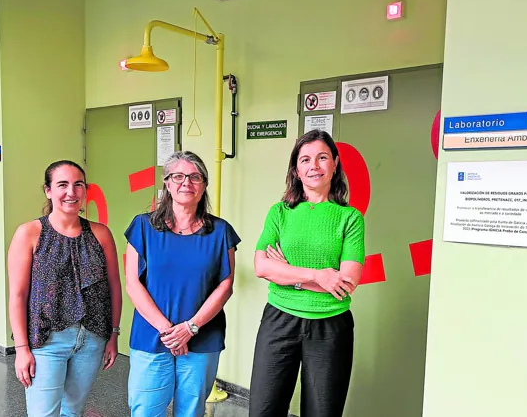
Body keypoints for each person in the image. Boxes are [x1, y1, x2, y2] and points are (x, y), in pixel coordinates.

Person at [249, 130, 365, 417]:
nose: (314, 165)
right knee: (263, 410)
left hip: (330, 328)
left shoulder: (350, 218)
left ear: (335, 164)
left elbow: (346, 283)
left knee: (323, 412)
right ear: (296, 170)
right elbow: (262, 266)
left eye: (322, 157)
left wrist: (287, 273)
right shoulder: (279, 213)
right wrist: (318, 276)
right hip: (279, 321)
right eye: (305, 159)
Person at [124, 150, 241, 417]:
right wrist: (170, 332)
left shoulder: (220, 232)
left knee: (191, 411)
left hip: (202, 338)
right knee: (145, 411)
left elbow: (226, 285)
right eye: (178, 176)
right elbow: (133, 283)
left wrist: (190, 328)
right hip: (152, 337)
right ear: (166, 183)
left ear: (204, 185)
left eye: (194, 177)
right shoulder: (143, 226)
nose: (185, 182)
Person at [7, 160, 123, 417]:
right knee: (43, 413)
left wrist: (114, 333)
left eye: (78, 185)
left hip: (92, 339)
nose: (71, 192)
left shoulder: (101, 233)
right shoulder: (30, 233)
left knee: (72, 411)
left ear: (85, 190)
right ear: (48, 190)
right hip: (46, 340)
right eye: (62, 185)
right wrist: (22, 349)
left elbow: (114, 286)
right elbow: (18, 295)